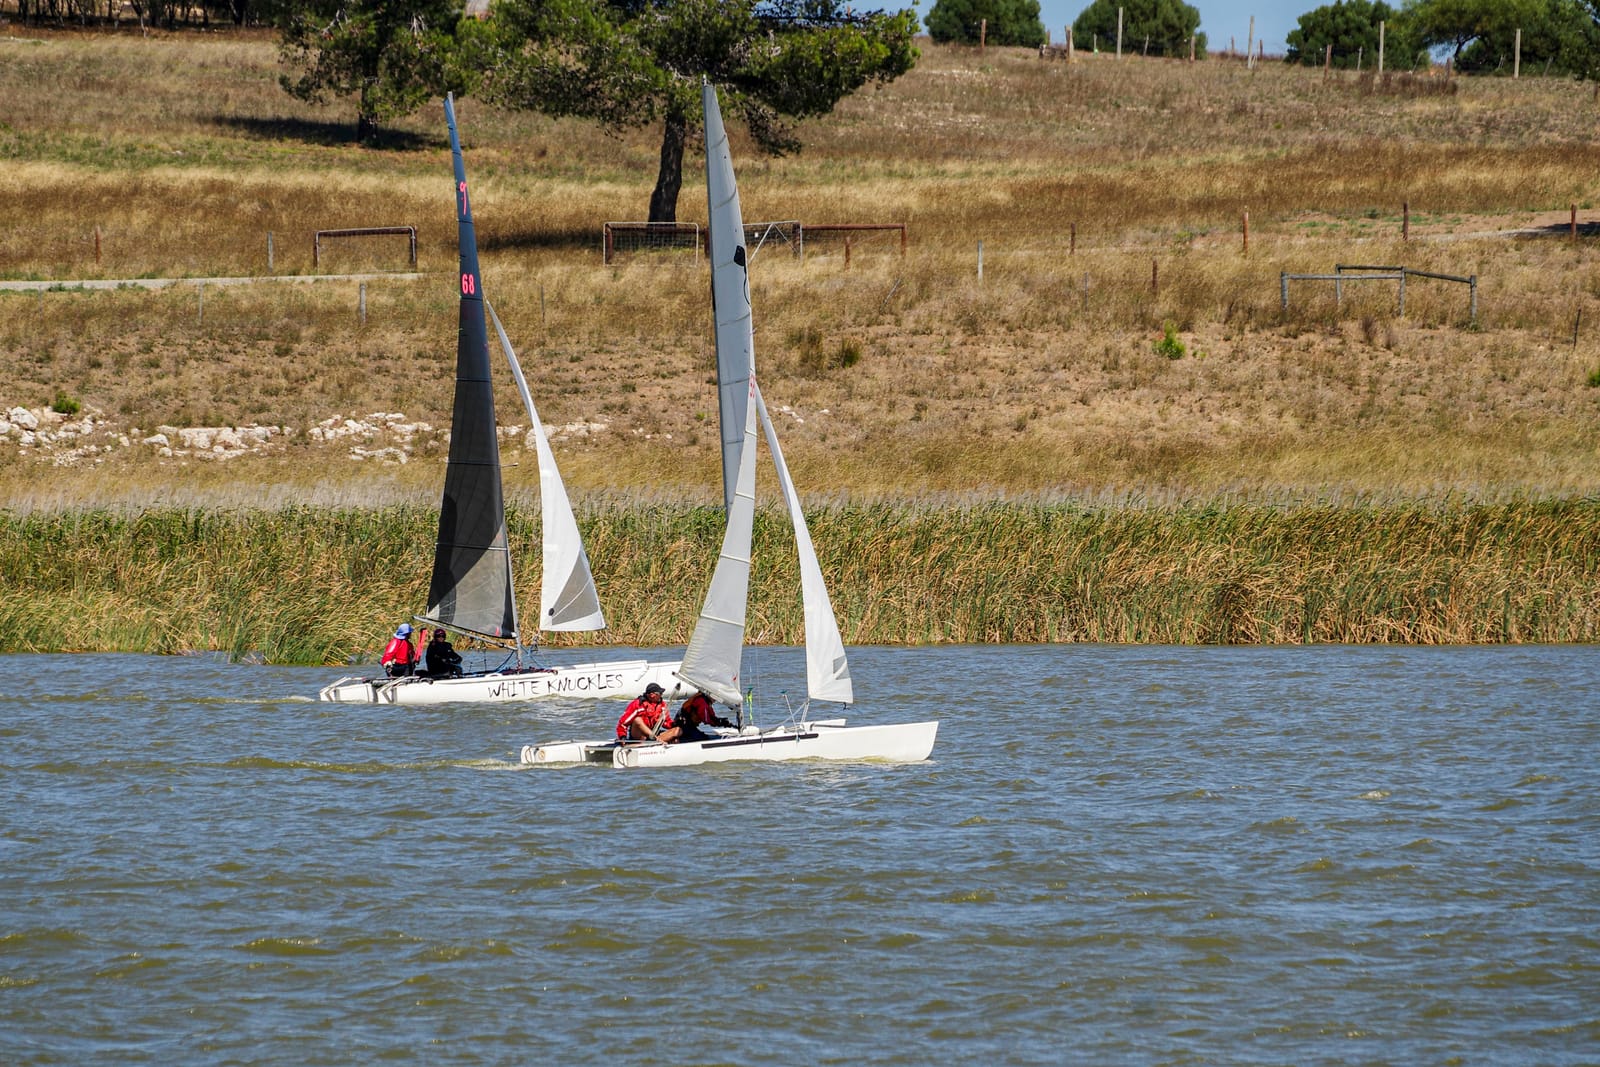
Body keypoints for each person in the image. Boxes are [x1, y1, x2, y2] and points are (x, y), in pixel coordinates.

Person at [616, 682, 680, 744]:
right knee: (637, 720)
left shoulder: (662, 705)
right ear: (652, 695)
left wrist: (674, 724)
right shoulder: (637, 704)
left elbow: (666, 722)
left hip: (653, 735)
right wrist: (622, 737)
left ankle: (656, 742)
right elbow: (622, 724)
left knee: (678, 730)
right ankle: (653, 740)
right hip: (639, 736)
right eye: (660, 693)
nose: (661, 695)